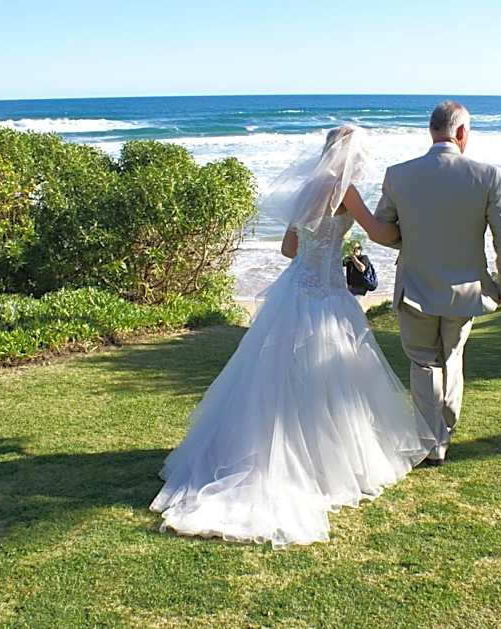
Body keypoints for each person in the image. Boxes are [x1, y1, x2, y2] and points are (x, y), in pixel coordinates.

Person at [150, 125, 436, 548]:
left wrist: (324, 247)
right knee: (329, 377)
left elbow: (288, 248)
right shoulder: (346, 189)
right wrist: (413, 229)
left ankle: (264, 456)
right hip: (326, 296)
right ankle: (321, 466)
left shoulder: (307, 188)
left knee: (279, 375)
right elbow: (381, 233)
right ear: (348, 156)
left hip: (294, 289)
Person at [373, 101, 501, 466]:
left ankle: (430, 442)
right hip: (465, 289)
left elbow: (384, 231)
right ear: (462, 132)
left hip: (416, 287)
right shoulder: (487, 176)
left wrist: (412, 239)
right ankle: (445, 433)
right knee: (452, 357)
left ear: (431, 131)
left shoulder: (398, 174)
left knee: (423, 362)